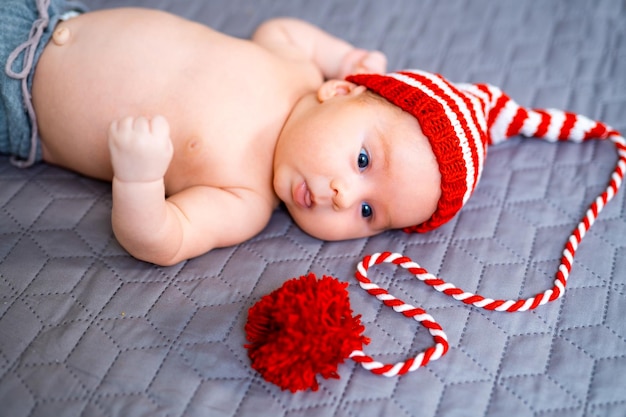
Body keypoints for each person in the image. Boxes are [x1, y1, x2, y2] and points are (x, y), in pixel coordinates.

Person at [3, 0, 623, 268]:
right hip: (49, 15)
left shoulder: (244, 199)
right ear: (341, 89)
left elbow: (161, 241)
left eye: (368, 211)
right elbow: (285, 26)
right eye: (361, 159)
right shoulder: (294, 66)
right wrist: (344, 51)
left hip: (21, 102)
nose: (339, 196)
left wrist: (138, 175)